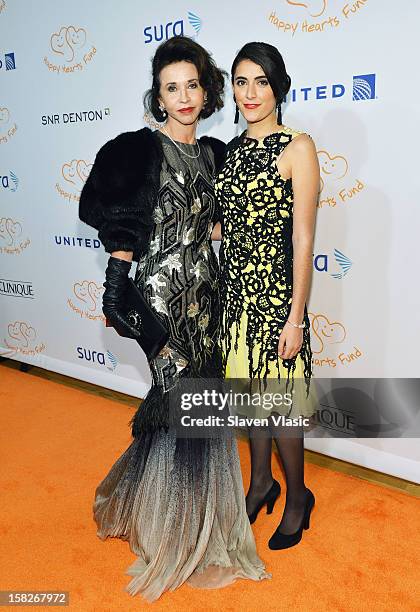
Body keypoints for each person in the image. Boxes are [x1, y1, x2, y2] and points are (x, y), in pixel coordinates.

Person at [78, 36, 270, 602]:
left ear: (207, 90)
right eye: (171, 88)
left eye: (193, 85)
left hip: (205, 298)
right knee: (182, 408)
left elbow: (213, 226)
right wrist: (133, 317)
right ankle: (177, 534)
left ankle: (180, 517)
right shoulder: (137, 152)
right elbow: (121, 263)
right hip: (159, 304)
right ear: (157, 96)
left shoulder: (213, 153)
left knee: (198, 415)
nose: (184, 97)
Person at [213, 42, 319, 550]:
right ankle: (260, 483)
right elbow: (227, 227)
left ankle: (297, 496)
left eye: (261, 80)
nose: (251, 93)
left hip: (276, 302)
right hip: (234, 301)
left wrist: (296, 316)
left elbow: (303, 238)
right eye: (241, 81)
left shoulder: (297, 146)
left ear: (279, 85)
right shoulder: (229, 151)